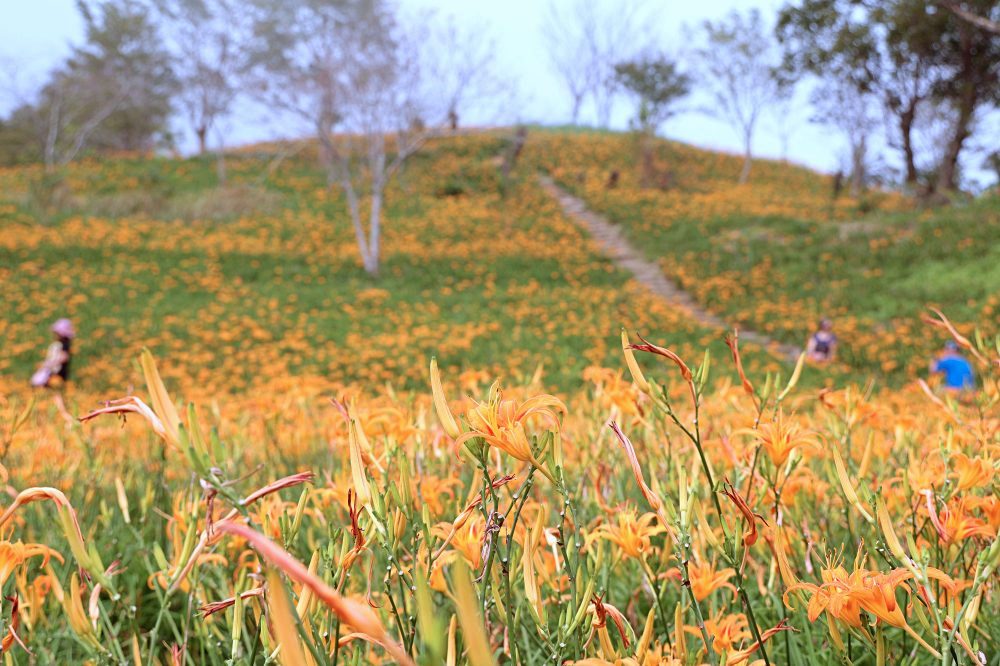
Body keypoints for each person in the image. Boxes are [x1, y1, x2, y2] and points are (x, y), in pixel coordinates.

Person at [31, 318, 74, 388]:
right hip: (55, 372)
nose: (54, 335)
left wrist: (50, 364)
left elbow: (64, 357)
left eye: (56, 333)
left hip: (58, 373)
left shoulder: (64, 345)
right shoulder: (60, 344)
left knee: (48, 386)